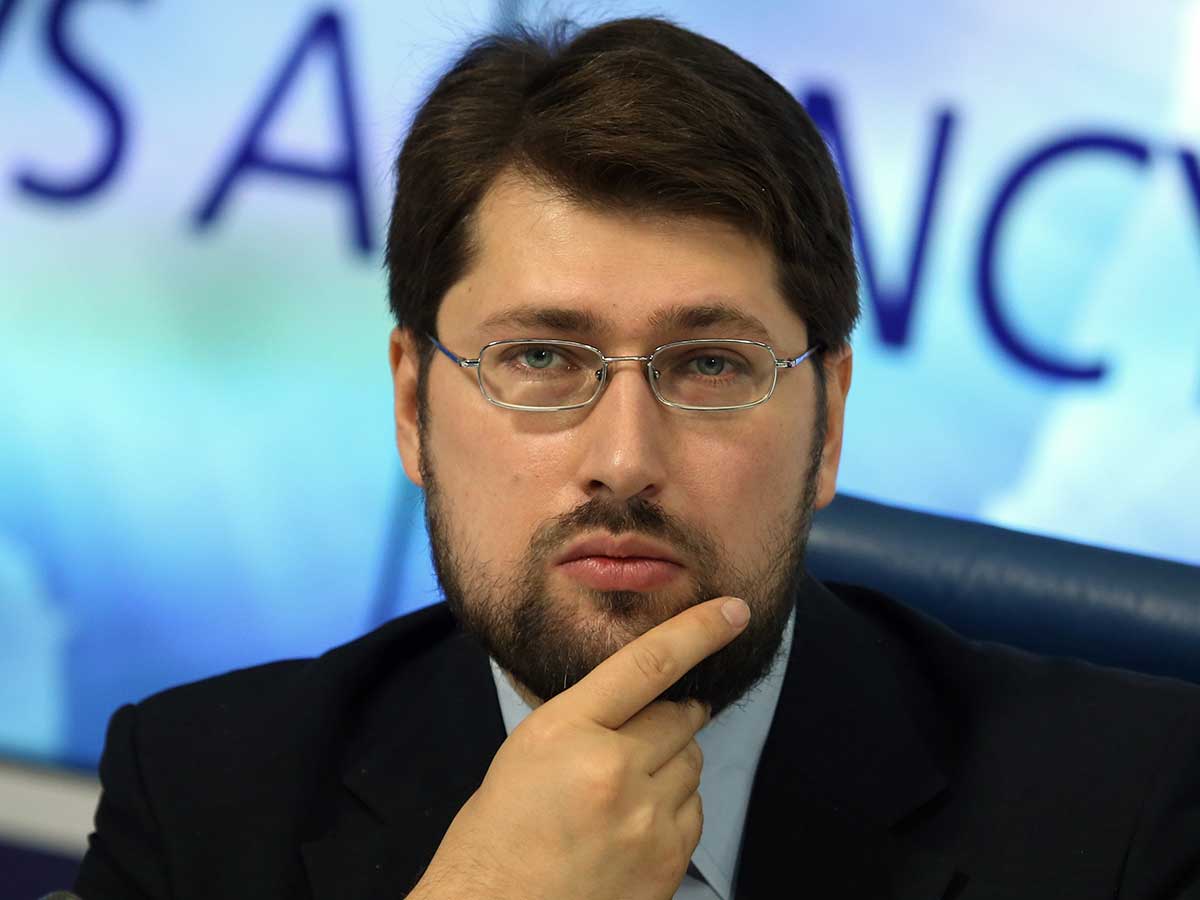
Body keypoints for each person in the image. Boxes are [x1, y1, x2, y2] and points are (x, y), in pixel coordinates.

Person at [75, 16, 1200, 900]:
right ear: (413, 406)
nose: (622, 459)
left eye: (709, 365)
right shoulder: (199, 798)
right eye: (539, 358)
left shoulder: (1131, 812)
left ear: (829, 423)